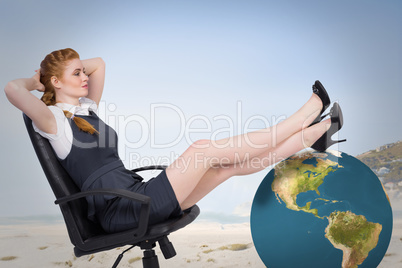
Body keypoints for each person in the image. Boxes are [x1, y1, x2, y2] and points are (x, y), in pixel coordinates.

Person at [4, 48, 345, 233]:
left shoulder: (87, 109)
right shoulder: (52, 122)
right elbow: (11, 89)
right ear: (55, 83)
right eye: (75, 74)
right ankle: (302, 117)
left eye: (81, 72)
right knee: (202, 150)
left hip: (134, 194)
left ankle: (313, 134)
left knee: (224, 169)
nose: (84, 76)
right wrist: (37, 82)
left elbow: (99, 64)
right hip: (120, 208)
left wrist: (66, 68)